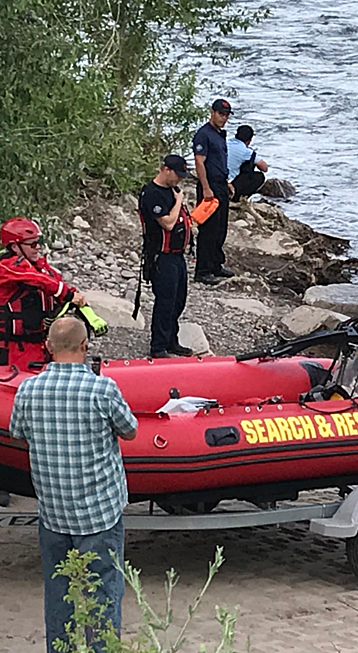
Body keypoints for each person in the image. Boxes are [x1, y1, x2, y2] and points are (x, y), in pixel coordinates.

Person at [10, 317, 138, 652]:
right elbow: (130, 430)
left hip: (53, 512)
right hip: (99, 513)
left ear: (48, 347)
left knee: (58, 593)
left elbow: (18, 434)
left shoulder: (27, 389)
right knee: (104, 592)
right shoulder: (103, 389)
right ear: (85, 346)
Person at [0, 217, 87, 370]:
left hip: (40, 346)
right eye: (32, 244)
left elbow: (53, 281)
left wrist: (73, 295)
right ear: (15, 247)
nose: (38, 248)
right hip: (13, 349)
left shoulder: (40, 268)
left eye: (38, 243)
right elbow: (37, 279)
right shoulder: (6, 267)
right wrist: (67, 294)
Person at [138, 155, 194, 358]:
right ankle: (158, 346)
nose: (179, 180)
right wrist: (179, 201)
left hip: (177, 255)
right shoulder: (152, 194)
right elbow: (168, 223)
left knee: (179, 300)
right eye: (177, 175)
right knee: (165, 301)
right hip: (161, 256)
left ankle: (172, 340)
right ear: (165, 169)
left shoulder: (171, 190)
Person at [192, 98, 236, 285]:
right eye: (220, 114)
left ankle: (215, 264)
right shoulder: (204, 134)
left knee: (220, 228)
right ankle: (202, 271)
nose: (223, 118)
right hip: (209, 186)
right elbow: (199, 162)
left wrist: (226, 182)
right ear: (212, 112)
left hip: (220, 183)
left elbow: (218, 162)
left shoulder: (220, 135)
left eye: (226, 115)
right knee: (208, 229)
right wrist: (206, 187)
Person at [227, 125, 270, 201]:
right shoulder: (246, 151)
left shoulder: (226, 143)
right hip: (230, 183)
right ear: (249, 140)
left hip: (217, 179)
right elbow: (264, 168)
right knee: (260, 176)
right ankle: (238, 197)